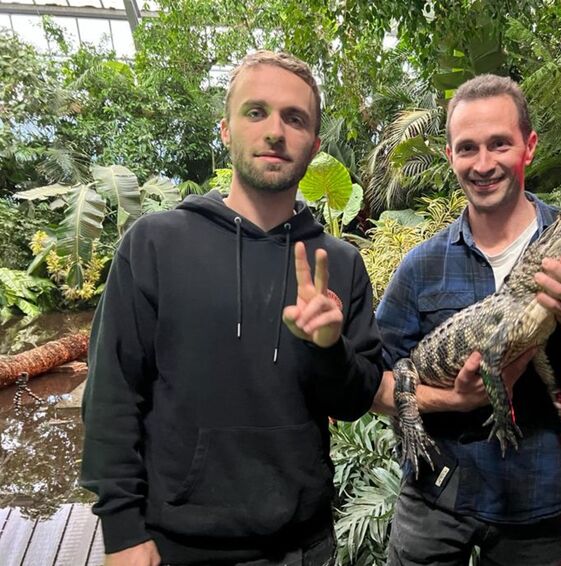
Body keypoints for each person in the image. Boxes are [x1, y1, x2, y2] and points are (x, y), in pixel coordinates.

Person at [80, 50, 383, 566]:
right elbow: (113, 391)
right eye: (256, 112)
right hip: (179, 544)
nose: (274, 132)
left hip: (302, 545)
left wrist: (328, 349)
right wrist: (122, 532)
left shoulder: (340, 263)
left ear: (313, 143)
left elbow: (355, 400)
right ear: (225, 129)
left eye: (295, 118)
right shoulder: (156, 243)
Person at [371, 74, 561, 565]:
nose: (484, 163)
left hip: (534, 500)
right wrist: (451, 399)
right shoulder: (421, 265)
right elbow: (372, 382)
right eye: (468, 147)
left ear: (529, 146)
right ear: (450, 156)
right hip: (434, 498)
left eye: (500, 143)